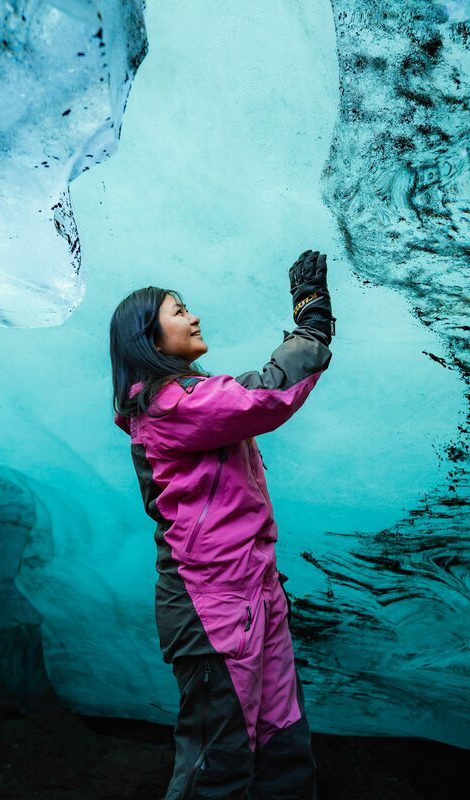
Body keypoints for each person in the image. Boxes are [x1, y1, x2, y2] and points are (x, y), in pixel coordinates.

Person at [109, 250, 335, 799]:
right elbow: (265, 394)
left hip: (251, 593)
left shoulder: (183, 400)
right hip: (211, 605)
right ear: (149, 339)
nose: (193, 317)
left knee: (280, 744)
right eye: (178, 311)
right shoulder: (169, 406)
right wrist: (311, 321)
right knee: (218, 762)